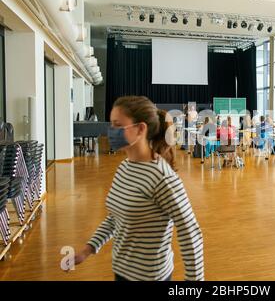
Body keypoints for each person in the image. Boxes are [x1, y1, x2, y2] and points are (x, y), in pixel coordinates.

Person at [74, 96, 204, 281]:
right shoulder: (125, 167)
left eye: (118, 125)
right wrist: (88, 250)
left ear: (141, 129)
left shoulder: (162, 177)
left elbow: (190, 232)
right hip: (121, 272)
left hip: (150, 277)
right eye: (111, 125)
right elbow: (116, 217)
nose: (111, 132)